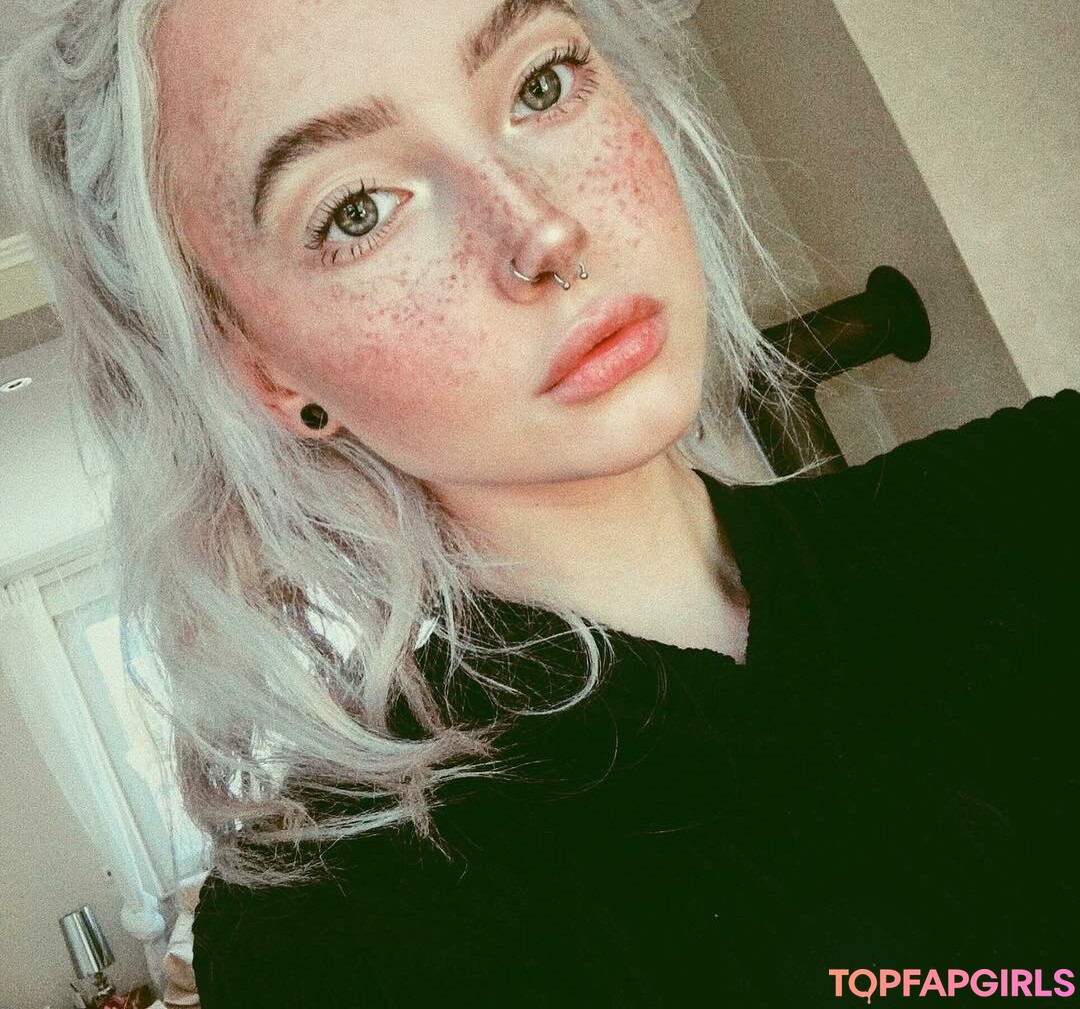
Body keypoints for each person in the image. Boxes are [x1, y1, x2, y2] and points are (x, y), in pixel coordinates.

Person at [2, 0, 1077, 1005]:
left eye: (542, 83)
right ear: (266, 370)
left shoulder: (1043, 491)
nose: (544, 231)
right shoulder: (341, 934)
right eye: (358, 209)